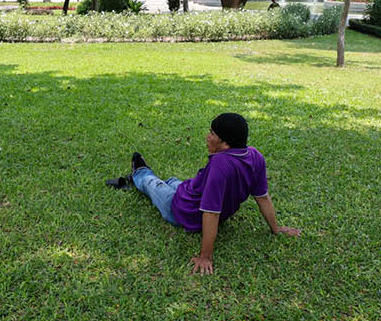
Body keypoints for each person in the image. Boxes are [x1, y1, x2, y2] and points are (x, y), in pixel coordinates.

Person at [108, 113, 300, 275]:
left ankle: (139, 172)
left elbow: (211, 213)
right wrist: (276, 228)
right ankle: (167, 183)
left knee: (151, 184)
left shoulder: (220, 166)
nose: (208, 137)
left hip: (181, 210)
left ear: (225, 143)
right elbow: (263, 197)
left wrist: (205, 256)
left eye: (212, 134)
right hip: (191, 191)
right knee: (175, 182)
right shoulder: (255, 156)